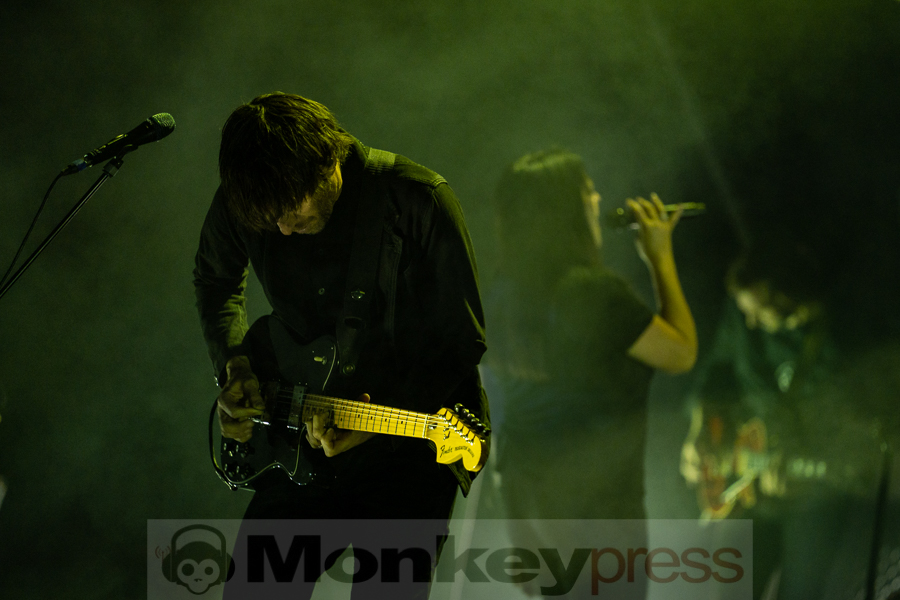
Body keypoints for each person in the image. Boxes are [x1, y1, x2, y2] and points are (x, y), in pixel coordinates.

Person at [192, 92, 489, 598]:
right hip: (298, 436)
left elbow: (461, 339)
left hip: (407, 442)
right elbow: (215, 278)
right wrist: (236, 367)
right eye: (268, 220)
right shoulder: (254, 196)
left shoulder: (418, 199)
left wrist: (376, 422)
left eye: (292, 208)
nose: (283, 228)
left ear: (328, 160)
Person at [484, 148, 697, 598]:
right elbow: (680, 352)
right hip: (600, 519)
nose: (597, 199)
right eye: (587, 191)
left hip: (535, 510)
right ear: (565, 210)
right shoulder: (592, 293)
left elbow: (510, 419)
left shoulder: (502, 296)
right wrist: (659, 257)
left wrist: (518, 525)